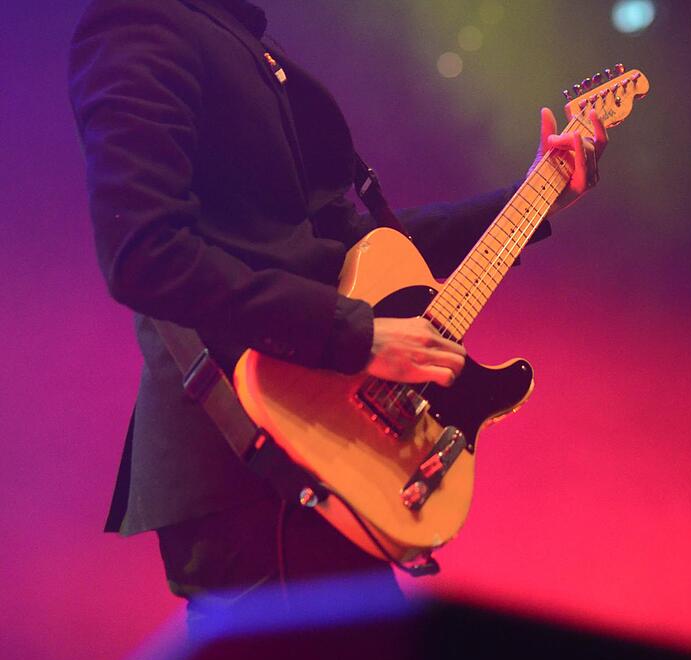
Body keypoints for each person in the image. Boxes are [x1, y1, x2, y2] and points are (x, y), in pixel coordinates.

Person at [68, 0, 605, 616]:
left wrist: (534, 199)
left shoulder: (244, 36)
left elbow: (359, 250)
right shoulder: (138, 21)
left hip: (332, 443)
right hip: (247, 450)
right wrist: (357, 337)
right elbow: (144, 254)